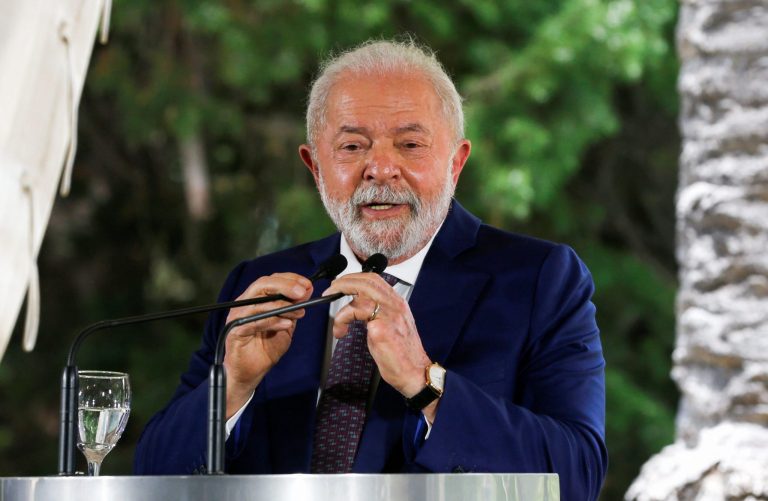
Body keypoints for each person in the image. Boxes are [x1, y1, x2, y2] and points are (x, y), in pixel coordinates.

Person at [134, 39, 607, 500]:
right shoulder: (257, 286)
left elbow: (577, 476)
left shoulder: (540, 278)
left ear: (456, 163)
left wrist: (427, 383)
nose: (381, 168)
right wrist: (231, 388)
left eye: (410, 144)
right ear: (315, 167)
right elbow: (151, 475)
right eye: (353, 147)